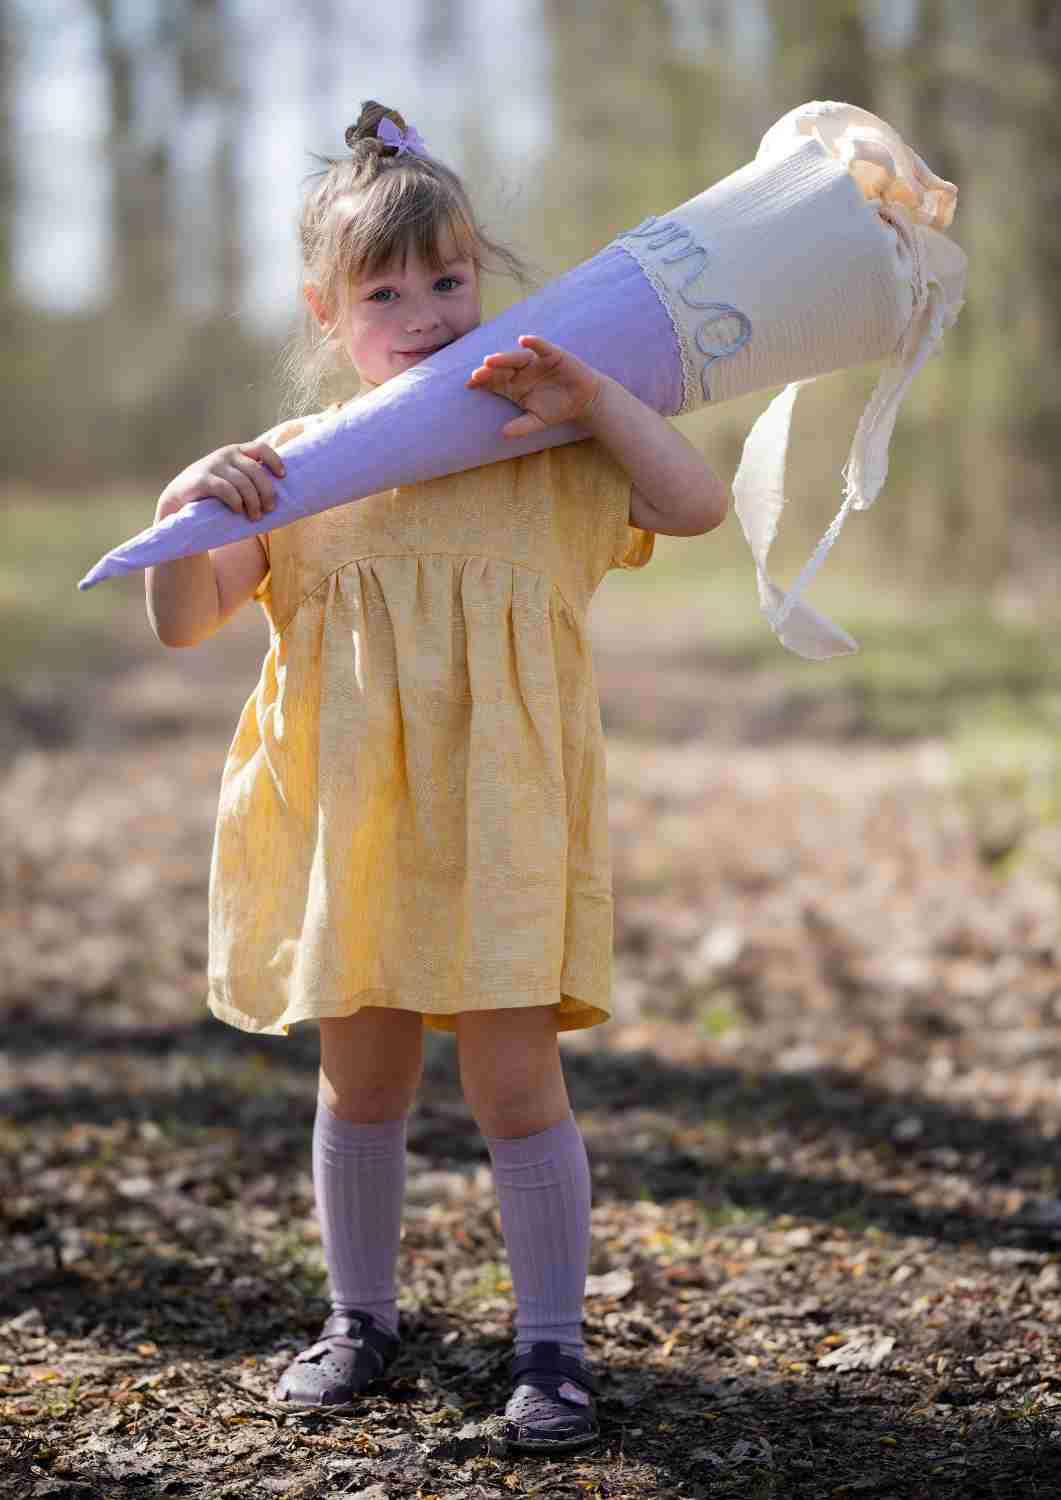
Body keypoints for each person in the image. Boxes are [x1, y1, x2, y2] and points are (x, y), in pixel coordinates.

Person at [145, 101, 729, 1457]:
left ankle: (550, 1350)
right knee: (361, 1084)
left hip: (505, 821)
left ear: (485, 280)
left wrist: (594, 397)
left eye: (449, 278)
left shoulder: (535, 443)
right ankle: (361, 1320)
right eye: (384, 290)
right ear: (326, 310)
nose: (421, 310)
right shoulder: (298, 469)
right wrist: (191, 501)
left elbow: (690, 504)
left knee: (516, 1084)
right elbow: (185, 619)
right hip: (357, 824)